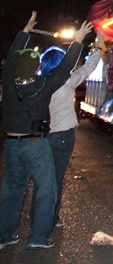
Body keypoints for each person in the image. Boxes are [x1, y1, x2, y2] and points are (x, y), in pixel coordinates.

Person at [0, 13, 91, 251]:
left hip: (11, 144)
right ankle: (38, 237)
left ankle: (4, 234)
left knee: (11, 190)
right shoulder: (41, 86)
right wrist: (78, 40)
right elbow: (64, 69)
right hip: (35, 144)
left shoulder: (9, 84)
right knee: (46, 189)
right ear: (36, 68)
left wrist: (24, 33)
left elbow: (10, 60)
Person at [31, 32, 104, 230]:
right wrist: (98, 48)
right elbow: (88, 68)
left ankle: (37, 217)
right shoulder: (66, 81)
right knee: (56, 178)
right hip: (63, 135)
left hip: (43, 135)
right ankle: (50, 219)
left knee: (42, 179)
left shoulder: (39, 83)